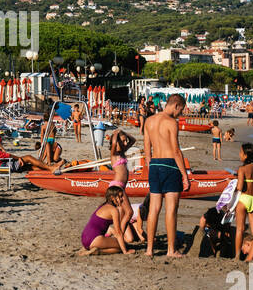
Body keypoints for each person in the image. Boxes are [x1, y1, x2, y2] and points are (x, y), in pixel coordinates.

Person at [142, 93, 188, 258]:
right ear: (176, 105)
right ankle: (170, 250)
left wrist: (150, 166)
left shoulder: (149, 121)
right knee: (171, 209)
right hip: (169, 165)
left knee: (154, 208)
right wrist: (185, 175)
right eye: (180, 110)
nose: (180, 114)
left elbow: (146, 148)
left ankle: (149, 249)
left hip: (154, 164)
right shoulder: (171, 123)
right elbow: (176, 151)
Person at [78, 188, 136, 256]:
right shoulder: (113, 210)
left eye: (122, 196)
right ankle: (98, 251)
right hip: (95, 239)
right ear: (112, 198)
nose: (122, 199)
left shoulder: (102, 206)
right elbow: (118, 232)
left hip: (84, 238)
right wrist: (125, 251)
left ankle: (89, 248)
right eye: (119, 197)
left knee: (120, 243)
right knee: (122, 245)